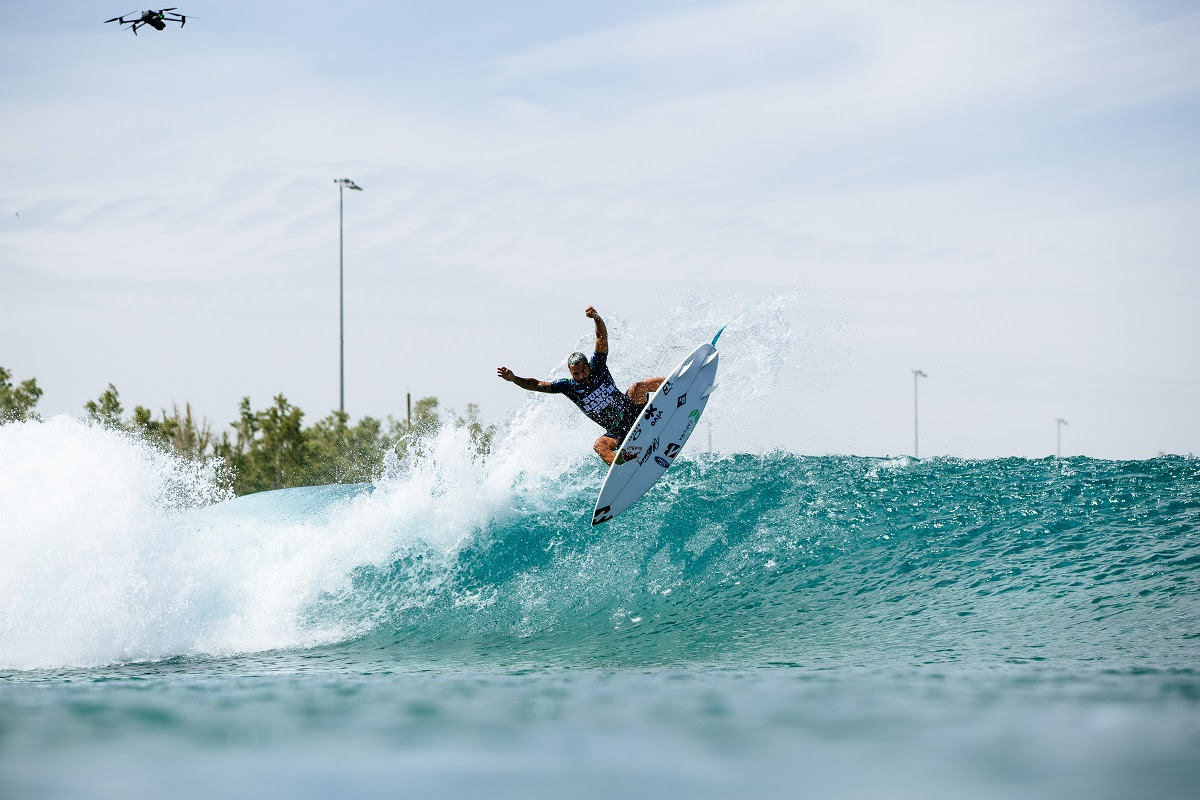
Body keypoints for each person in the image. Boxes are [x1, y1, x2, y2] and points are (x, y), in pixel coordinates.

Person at [497, 306, 664, 466]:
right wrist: (514, 378)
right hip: (618, 432)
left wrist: (596, 318)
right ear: (571, 373)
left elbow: (601, 338)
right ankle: (625, 469)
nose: (580, 376)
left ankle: (676, 383)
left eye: (583, 371)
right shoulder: (568, 386)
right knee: (599, 445)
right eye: (575, 374)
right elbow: (537, 384)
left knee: (638, 387)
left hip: (633, 412)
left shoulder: (598, 367)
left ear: (588, 366)